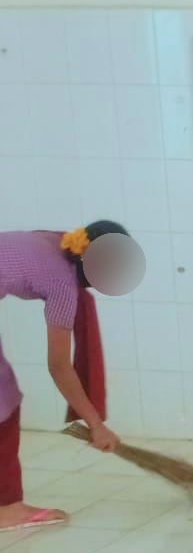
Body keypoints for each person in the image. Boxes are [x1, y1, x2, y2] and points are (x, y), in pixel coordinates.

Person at [0, 222, 126, 531]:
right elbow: (59, 366)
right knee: (4, 401)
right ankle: (7, 508)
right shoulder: (62, 284)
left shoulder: (52, 239)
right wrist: (96, 425)